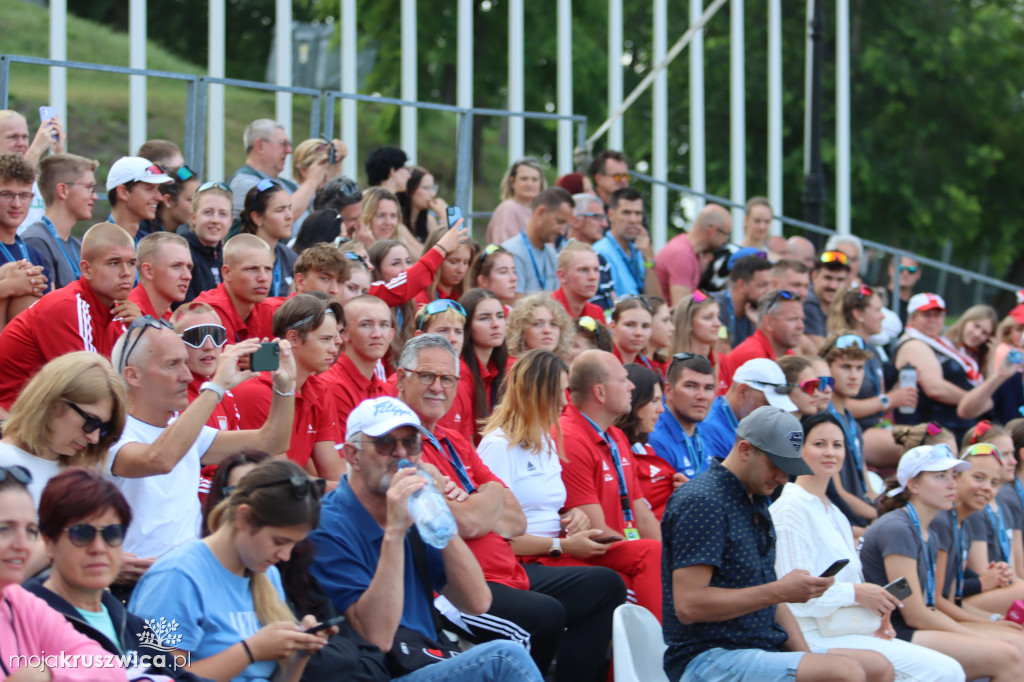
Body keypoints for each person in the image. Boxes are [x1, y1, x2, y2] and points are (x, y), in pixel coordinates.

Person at [393, 337, 610, 678]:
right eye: (426, 376)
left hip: (505, 571)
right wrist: (484, 500)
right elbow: (465, 523)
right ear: (400, 379)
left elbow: (516, 519)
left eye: (447, 379)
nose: (438, 387)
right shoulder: (398, 443)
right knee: (545, 616)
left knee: (605, 586)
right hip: (455, 588)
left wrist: (473, 501)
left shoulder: (455, 442)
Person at [309, 396, 544, 682]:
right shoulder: (326, 524)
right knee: (503, 658)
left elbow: (477, 601)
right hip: (376, 671)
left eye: (410, 443)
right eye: (385, 443)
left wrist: (437, 509)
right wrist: (394, 533)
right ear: (352, 455)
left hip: (423, 657)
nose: (401, 454)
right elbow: (377, 637)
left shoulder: (416, 508)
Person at [662, 405, 893, 682]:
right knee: (845, 673)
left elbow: (774, 597)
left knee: (879, 667)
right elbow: (689, 606)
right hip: (707, 657)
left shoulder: (756, 497)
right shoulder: (703, 501)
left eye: (788, 469)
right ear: (745, 450)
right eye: (776, 466)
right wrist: (779, 591)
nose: (782, 479)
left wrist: (806, 656)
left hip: (761, 647)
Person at [770, 412, 966, 682]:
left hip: (848, 628)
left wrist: (875, 610)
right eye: (820, 444)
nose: (830, 452)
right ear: (798, 450)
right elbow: (793, 597)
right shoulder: (790, 508)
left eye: (837, 445)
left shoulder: (834, 512)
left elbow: (851, 582)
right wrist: (857, 593)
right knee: (942, 671)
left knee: (948, 668)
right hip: (811, 636)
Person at [476, 350, 628, 681]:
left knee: (614, 583)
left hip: (551, 551)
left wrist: (572, 516)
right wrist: (562, 545)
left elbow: (545, 507)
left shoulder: (547, 439)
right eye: (559, 391)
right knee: (606, 586)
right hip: (517, 564)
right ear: (537, 393)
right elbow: (494, 539)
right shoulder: (499, 447)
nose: (565, 400)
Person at [107, 317, 296, 562]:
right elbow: (160, 459)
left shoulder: (182, 431)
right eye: (173, 364)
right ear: (133, 376)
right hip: (137, 585)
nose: (187, 375)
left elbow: (271, 442)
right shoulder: (109, 432)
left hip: (189, 572)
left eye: (185, 362)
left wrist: (285, 385)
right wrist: (216, 387)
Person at [130, 459, 331, 682]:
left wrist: (300, 653)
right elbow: (159, 676)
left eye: (293, 544)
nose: (285, 555)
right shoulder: (177, 577)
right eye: (278, 541)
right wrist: (249, 651)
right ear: (243, 518)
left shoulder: (266, 572)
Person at [859, 446, 1024, 681]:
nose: (952, 484)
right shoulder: (898, 528)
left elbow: (933, 604)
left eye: (953, 476)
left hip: (911, 626)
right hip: (891, 631)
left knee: (1016, 643)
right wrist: (980, 635)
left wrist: (991, 625)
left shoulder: (928, 531)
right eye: (940, 476)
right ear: (913, 485)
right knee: (1007, 653)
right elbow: (915, 614)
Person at [27, 468, 201, 681]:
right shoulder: (19, 616)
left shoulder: (132, 625)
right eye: (82, 533)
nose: (99, 548)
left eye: (112, 534)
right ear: (48, 541)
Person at [0, 463, 131, 680]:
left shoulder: (18, 602)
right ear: (51, 543)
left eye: (30, 530)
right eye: (5, 529)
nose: (23, 544)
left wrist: (45, 673)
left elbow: (107, 666)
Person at [558, 350, 663, 618]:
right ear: (600, 393)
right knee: (648, 570)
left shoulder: (616, 435)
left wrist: (670, 560)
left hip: (624, 551)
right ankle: (662, 655)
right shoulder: (569, 437)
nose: (631, 387)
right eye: (623, 380)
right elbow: (596, 533)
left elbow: (642, 514)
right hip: (589, 557)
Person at [0, 222, 136, 414]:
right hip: (14, 420)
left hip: (51, 417)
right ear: (86, 270)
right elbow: (90, 390)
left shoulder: (119, 312)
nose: (126, 273)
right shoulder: (68, 306)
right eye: (114, 263)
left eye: (131, 263)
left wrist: (140, 329)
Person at [233, 293, 343, 481]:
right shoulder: (257, 391)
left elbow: (333, 471)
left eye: (335, 339)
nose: (335, 348)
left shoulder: (319, 389)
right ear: (293, 339)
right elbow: (280, 476)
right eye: (325, 339)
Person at [0, 352, 125, 504]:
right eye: (91, 422)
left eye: (105, 428)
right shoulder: (4, 459)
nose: (94, 438)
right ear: (54, 404)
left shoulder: (82, 477)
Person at [828, 285, 918, 468]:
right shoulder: (842, 350)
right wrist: (889, 399)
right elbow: (839, 405)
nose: (883, 316)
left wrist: (898, 391)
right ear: (858, 314)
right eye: (877, 310)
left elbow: (881, 404)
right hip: (855, 430)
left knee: (937, 437)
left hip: (877, 426)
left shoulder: (874, 353)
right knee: (923, 445)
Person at [894, 293, 978, 441]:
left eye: (937, 315)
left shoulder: (940, 342)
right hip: (934, 429)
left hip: (953, 425)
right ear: (913, 318)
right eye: (927, 315)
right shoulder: (913, 343)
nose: (933, 320)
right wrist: (976, 402)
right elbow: (935, 389)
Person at [618, 363, 685, 520]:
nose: (661, 409)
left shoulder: (644, 446)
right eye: (654, 401)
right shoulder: (613, 450)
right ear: (634, 400)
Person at [323, 295, 393, 440]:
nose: (377, 334)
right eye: (366, 325)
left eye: (384, 325)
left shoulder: (386, 391)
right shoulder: (330, 387)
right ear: (344, 334)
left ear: (391, 335)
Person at [22, 153, 96, 290]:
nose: (95, 196)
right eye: (89, 188)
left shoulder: (78, 245)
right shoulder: (36, 241)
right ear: (63, 190)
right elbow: (46, 307)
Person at [701, 358, 798, 460]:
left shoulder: (731, 421)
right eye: (766, 404)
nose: (772, 413)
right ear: (743, 391)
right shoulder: (709, 429)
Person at [445, 289, 508, 445]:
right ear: (466, 327)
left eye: (500, 316)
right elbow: (461, 444)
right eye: (484, 318)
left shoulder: (497, 369)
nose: (495, 324)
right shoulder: (460, 373)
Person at [170, 302, 242, 433]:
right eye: (196, 337)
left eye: (216, 336)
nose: (209, 346)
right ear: (175, 342)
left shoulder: (226, 395)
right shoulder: (167, 398)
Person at [718, 289, 805, 390]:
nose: (801, 326)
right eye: (792, 319)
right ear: (769, 323)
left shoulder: (788, 353)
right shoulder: (754, 356)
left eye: (802, 320)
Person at [228, 119, 313, 222]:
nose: (289, 150)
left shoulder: (288, 185)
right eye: (283, 144)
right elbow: (283, 218)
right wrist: (312, 181)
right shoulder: (243, 182)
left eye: (289, 145)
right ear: (260, 146)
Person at [194, 234, 275, 342]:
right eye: (252, 269)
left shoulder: (267, 309)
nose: (263, 278)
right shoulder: (208, 312)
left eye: (268, 269)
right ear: (226, 273)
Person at [0, 153, 50, 324]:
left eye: (24, 196)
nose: (17, 204)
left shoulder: (34, 254)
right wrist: (8, 287)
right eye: (7, 195)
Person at [649, 352, 716, 480]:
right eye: (691, 386)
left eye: (708, 388)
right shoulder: (655, 439)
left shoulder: (705, 434)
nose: (702, 396)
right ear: (668, 391)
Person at [0, 109, 66, 232]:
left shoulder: (36, 178)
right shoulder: (26, 172)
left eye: (25, 137)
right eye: (13, 137)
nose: (21, 144)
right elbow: (17, 181)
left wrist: (59, 153)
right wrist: (36, 150)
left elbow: (64, 202)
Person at [654, 203, 731, 305]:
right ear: (714, 231)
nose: (726, 241)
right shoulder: (682, 254)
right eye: (726, 235)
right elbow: (683, 309)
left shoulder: (690, 251)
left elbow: (690, 300)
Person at [501, 187, 572, 294]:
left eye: (566, 225)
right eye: (559, 221)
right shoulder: (511, 253)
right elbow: (514, 306)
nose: (563, 232)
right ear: (541, 213)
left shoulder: (551, 254)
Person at [593, 187, 657, 298]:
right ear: (611, 215)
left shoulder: (639, 250)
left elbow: (656, 301)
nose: (633, 220)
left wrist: (649, 260)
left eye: (638, 213)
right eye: (626, 213)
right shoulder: (600, 252)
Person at [239, 180, 296, 298]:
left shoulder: (289, 257)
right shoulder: (240, 257)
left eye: (289, 208)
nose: (289, 216)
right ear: (257, 218)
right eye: (280, 210)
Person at [122, 231, 193, 321]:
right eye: (176, 266)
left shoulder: (168, 319)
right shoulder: (124, 316)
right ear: (148, 271)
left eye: (189, 267)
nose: (188, 276)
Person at [180, 181, 231, 303]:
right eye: (208, 212)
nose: (215, 220)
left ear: (231, 221)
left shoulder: (229, 256)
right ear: (193, 217)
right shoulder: (181, 252)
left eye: (223, 214)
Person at [711, 253, 773, 348]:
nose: (769, 291)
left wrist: (759, 325)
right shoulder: (714, 306)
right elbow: (723, 354)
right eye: (762, 285)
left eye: (771, 285)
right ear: (741, 285)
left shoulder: (759, 308)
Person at [105, 156, 173, 240]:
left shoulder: (150, 244)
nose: (159, 198)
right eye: (149, 189)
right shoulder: (96, 244)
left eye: (158, 189)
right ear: (123, 192)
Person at [567, 193, 614, 310]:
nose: (604, 224)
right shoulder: (561, 259)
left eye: (604, 218)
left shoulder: (601, 260)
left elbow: (613, 304)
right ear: (576, 221)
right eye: (597, 217)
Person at [288, 138, 346, 232]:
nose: (327, 170)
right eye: (322, 164)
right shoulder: (288, 192)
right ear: (303, 171)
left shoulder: (327, 195)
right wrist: (312, 181)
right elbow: (287, 215)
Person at [486, 157, 546, 245]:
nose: (530, 184)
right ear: (512, 181)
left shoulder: (542, 210)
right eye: (524, 179)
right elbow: (503, 248)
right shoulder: (507, 209)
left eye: (534, 179)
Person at [804, 251, 851, 347]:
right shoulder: (807, 303)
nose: (833, 286)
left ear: (847, 282)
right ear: (814, 276)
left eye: (839, 280)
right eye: (828, 278)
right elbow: (822, 350)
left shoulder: (847, 306)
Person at [505, 293, 573, 361]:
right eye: (537, 324)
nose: (547, 330)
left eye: (553, 324)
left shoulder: (563, 366)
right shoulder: (512, 368)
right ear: (521, 330)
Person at [670, 290, 722, 377]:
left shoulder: (724, 362)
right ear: (688, 323)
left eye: (718, 316)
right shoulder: (670, 367)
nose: (718, 324)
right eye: (708, 317)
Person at [417, 226, 472, 303]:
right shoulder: (420, 299)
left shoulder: (467, 298)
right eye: (453, 262)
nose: (461, 270)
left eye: (466, 262)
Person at [551, 241, 603, 320]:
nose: (593, 277)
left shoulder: (596, 313)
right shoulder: (546, 312)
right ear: (562, 276)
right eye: (583, 270)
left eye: (596, 270)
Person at [944, 304, 998, 377]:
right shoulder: (944, 344)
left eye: (984, 333)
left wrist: (989, 358)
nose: (977, 334)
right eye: (976, 326)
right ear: (965, 321)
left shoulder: (976, 358)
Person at [397, 166, 447, 244]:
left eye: (433, 188)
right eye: (426, 188)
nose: (432, 194)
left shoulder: (429, 221)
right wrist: (443, 217)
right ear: (409, 190)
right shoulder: (397, 223)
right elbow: (432, 253)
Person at [608, 295, 654, 369]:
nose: (639, 333)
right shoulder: (602, 364)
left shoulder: (646, 365)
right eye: (629, 325)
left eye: (645, 326)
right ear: (612, 326)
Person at [153, 165, 200, 234]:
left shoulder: (192, 235)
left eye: (199, 200)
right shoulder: (141, 233)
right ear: (168, 200)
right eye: (190, 200)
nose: (198, 207)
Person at [471, 243, 518, 309]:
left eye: (514, 271)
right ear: (483, 280)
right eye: (503, 272)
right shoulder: (471, 312)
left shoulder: (509, 311)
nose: (514, 278)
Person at [642, 295, 674, 376]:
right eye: (665, 320)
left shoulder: (662, 365)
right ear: (647, 323)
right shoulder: (634, 364)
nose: (672, 328)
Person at [889, 255, 923, 324]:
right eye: (900, 268)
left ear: (918, 274)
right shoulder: (877, 297)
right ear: (890, 269)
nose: (905, 273)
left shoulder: (920, 305)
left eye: (911, 270)